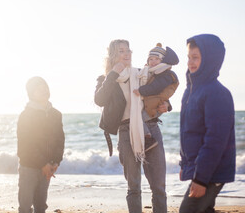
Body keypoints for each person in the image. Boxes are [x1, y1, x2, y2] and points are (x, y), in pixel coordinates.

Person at [94, 39, 170, 213]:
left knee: (158, 186)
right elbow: (100, 100)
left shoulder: (141, 74)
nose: (127, 54)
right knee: (134, 186)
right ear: (113, 55)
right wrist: (113, 74)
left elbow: (161, 92)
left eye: (128, 50)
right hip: (126, 131)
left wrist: (166, 105)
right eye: (121, 51)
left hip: (150, 128)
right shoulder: (106, 79)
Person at [179, 34, 236, 213]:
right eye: (189, 57)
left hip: (212, 172)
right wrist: (185, 165)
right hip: (199, 169)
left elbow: (215, 140)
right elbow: (187, 132)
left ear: (210, 59)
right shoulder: (190, 91)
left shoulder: (217, 93)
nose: (190, 62)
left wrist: (201, 179)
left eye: (195, 58)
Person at [17, 76, 65, 213]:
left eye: (45, 87)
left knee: (41, 206)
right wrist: (43, 164)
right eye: (39, 89)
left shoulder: (56, 114)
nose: (44, 90)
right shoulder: (26, 115)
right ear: (31, 93)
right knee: (25, 207)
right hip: (29, 168)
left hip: (48, 167)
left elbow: (60, 140)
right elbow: (25, 145)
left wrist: (56, 162)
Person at [133, 43, 179, 152]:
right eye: (151, 59)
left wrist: (141, 91)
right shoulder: (155, 72)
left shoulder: (166, 74)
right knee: (138, 118)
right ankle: (147, 137)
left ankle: (148, 139)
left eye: (156, 59)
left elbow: (156, 88)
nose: (153, 62)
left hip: (156, 106)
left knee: (137, 118)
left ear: (162, 61)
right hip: (154, 103)